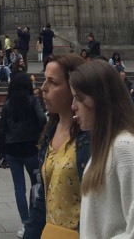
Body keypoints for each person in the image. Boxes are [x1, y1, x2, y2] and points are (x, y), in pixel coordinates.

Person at [70, 60, 134, 238]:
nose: (73, 106)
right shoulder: (105, 147)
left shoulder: (124, 149)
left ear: (101, 100)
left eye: (79, 98)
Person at [22, 54, 86, 239]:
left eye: (53, 82)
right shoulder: (50, 131)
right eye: (44, 80)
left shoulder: (88, 138)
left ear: (74, 88)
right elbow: (44, 198)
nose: (43, 88)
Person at [0, 71, 46, 234]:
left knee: (19, 187)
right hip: (31, 147)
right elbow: (42, 119)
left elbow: (2, 129)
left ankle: (25, 223)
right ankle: (35, 220)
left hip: (12, 149)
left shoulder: (7, 104)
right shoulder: (33, 101)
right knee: (36, 185)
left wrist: (1, 153)